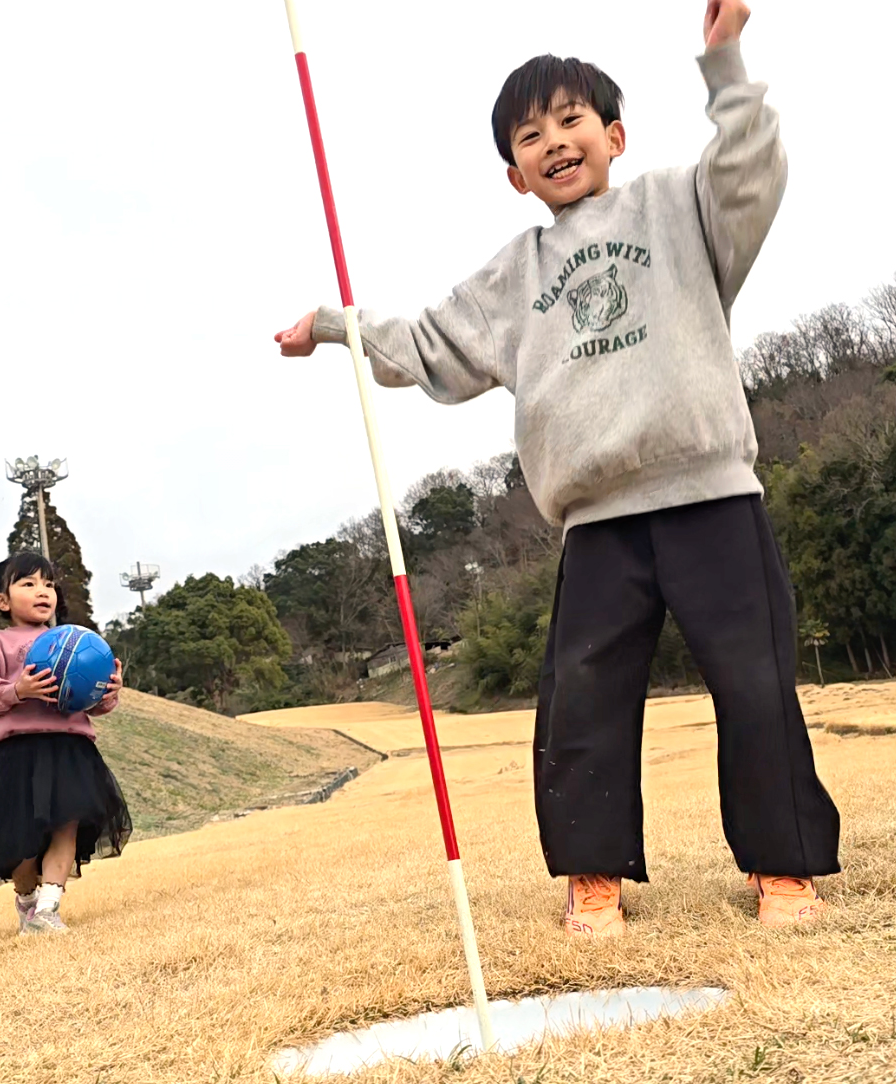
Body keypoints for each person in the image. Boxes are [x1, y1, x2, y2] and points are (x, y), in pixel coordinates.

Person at [275, 0, 840, 935]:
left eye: (572, 120)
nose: (555, 142)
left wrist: (727, 65)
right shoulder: (513, 272)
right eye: (530, 136)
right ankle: (592, 875)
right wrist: (335, 327)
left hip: (711, 498)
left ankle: (782, 868)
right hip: (593, 521)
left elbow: (750, 171)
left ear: (614, 134)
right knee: (582, 698)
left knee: (754, 680)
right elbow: (426, 343)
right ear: (514, 173)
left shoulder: (677, 206)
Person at [0, 552, 131, 935]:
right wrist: (17, 691)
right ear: (2, 601)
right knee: (21, 839)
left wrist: (108, 692)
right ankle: (27, 899)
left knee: (66, 826)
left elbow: (95, 704)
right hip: (16, 754)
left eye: (49, 584)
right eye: (29, 583)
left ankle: (48, 910)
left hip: (70, 751)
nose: (43, 591)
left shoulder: (77, 641)